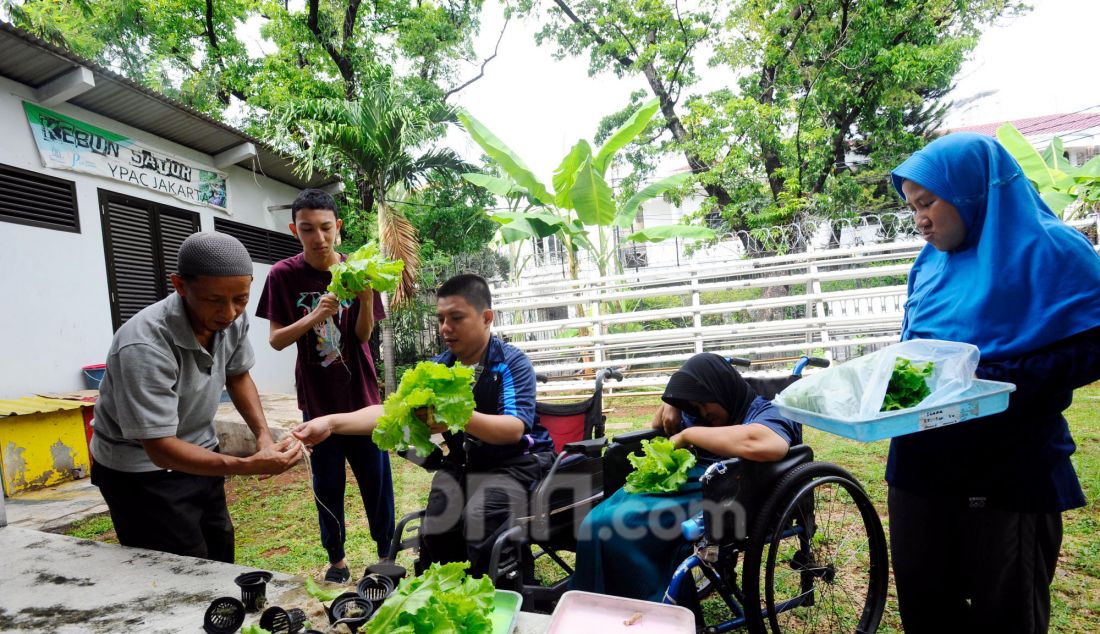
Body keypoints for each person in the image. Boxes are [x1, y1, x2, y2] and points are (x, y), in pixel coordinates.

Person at [887, 132, 1100, 633]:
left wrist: (997, 379)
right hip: (920, 465)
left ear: (970, 192)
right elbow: (916, 350)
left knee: (1005, 611)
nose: (919, 220)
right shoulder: (930, 264)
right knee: (926, 606)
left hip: (1005, 466)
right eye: (912, 207)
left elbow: (1092, 347)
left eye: (927, 203)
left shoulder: (1054, 251)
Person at [292, 273, 556, 577]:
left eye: (456, 318)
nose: (445, 328)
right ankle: (448, 595)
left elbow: (513, 429)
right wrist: (329, 423)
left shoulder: (510, 363)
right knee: (435, 531)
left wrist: (453, 415)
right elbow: (391, 413)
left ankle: (503, 593)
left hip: (517, 464)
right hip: (464, 466)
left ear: (486, 318)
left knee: (481, 518)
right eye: (441, 318)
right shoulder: (437, 368)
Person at [90, 232, 303, 563]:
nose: (229, 313)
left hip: (201, 452)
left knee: (219, 553)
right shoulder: (144, 345)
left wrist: (262, 436)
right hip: (141, 473)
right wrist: (246, 466)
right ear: (179, 285)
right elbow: (159, 448)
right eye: (215, 300)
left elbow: (237, 375)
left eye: (241, 299)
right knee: (177, 569)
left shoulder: (231, 318)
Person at [571, 352, 800, 604]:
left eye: (704, 404)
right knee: (594, 523)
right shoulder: (696, 413)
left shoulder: (767, 411)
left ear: (722, 390)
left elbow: (771, 444)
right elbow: (658, 421)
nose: (701, 412)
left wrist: (688, 435)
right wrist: (673, 403)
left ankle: (649, 607)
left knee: (621, 526)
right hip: (682, 484)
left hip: (724, 490)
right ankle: (597, 605)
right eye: (694, 406)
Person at [256, 188, 395, 583]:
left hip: (362, 400)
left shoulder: (357, 268)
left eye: (325, 227)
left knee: (377, 484)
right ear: (294, 230)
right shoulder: (284, 275)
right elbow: (277, 339)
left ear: (339, 226)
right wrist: (315, 315)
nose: (318, 238)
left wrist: (366, 299)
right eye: (307, 229)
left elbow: (364, 336)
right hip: (317, 401)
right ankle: (337, 561)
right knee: (327, 485)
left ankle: (386, 556)